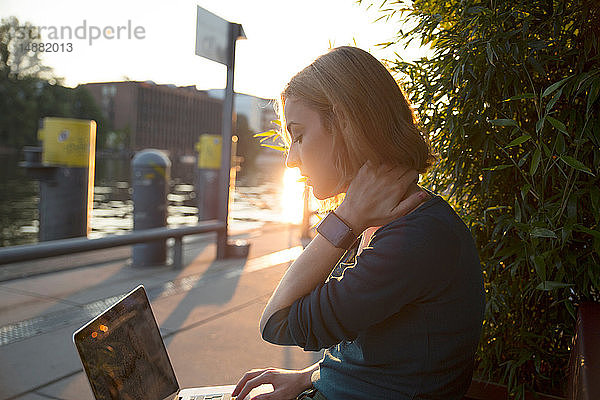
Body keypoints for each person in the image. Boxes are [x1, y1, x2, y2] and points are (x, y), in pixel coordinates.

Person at [232, 46, 485, 400]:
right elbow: (391, 353)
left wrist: (345, 218)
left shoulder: (415, 237)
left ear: (346, 124)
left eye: (299, 135)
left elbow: (277, 321)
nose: (290, 159)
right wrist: (312, 376)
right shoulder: (402, 221)